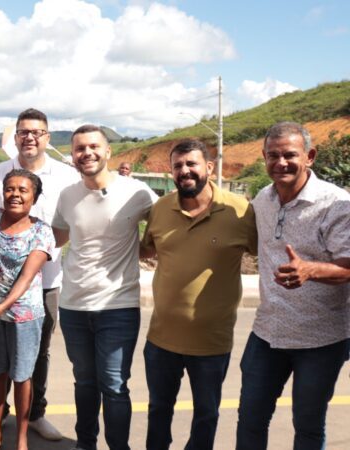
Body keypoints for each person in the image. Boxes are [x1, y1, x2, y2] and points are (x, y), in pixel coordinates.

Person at [236, 121, 350, 450]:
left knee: (308, 425)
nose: (281, 162)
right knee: (251, 418)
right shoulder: (263, 198)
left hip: (320, 338)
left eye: (290, 155)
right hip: (267, 332)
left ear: (309, 156)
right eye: (273, 155)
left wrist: (311, 270)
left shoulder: (336, 203)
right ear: (264, 157)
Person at [140, 139, 256, 450]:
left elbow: (264, 254)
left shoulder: (240, 210)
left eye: (192, 164)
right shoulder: (160, 209)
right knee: (158, 410)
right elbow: (147, 248)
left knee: (206, 414)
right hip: (161, 339)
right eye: (178, 165)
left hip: (212, 342)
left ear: (209, 167)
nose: (185, 171)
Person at [52, 125, 157, 450]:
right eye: (80, 148)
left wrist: (142, 248)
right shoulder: (68, 195)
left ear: (109, 152)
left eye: (94, 146)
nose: (87, 153)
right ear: (73, 155)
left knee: (113, 385)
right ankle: (86, 444)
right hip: (73, 307)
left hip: (118, 307)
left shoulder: (137, 191)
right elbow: (57, 237)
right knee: (84, 382)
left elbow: (164, 226)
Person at [0, 108, 80, 441]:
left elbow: (71, 222)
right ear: (15, 137)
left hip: (46, 283)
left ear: (47, 137)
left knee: (38, 355)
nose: (30, 137)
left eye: (37, 132)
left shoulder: (66, 176)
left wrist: (45, 246)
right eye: (24, 131)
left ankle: (35, 414)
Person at [0, 168, 54, 450]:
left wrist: (1, 307)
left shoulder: (41, 232)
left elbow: (26, 278)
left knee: (22, 376)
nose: (15, 195)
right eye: (10, 189)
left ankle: (21, 439)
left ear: (34, 197)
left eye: (23, 190)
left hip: (24, 314)